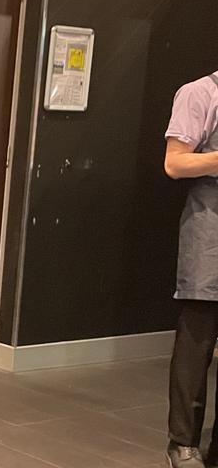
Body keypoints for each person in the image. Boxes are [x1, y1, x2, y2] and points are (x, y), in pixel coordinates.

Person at [163, 70, 218, 468]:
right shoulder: (199, 93)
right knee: (198, 339)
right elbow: (175, 163)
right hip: (211, 221)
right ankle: (183, 442)